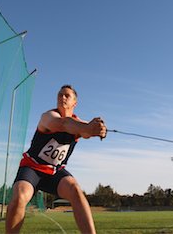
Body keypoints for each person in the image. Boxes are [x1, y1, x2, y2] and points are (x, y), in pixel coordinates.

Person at [6, 85, 107, 234]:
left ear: (75, 103)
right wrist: (88, 128)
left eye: (67, 95)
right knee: (20, 196)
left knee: (75, 190)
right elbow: (63, 124)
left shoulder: (79, 124)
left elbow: (86, 131)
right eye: (60, 95)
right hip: (32, 168)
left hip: (54, 172)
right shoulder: (48, 117)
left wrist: (98, 130)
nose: (62, 97)